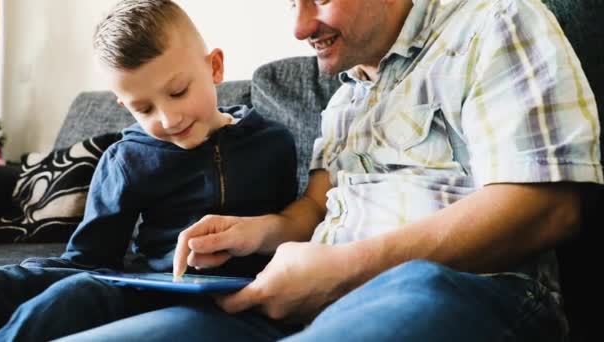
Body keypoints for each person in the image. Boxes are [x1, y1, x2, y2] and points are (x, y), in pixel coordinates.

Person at [56, 0, 601, 341]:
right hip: (303, 298)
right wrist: (256, 232)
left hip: (458, 290)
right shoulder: (346, 96)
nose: (298, 26)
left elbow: (546, 210)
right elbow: (314, 207)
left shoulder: (497, 22)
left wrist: (342, 268)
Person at [0, 0, 297, 340]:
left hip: (239, 295)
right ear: (125, 106)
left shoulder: (274, 143)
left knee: (70, 300)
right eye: (144, 108)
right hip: (145, 289)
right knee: (68, 297)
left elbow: (294, 229)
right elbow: (90, 260)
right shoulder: (126, 159)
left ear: (214, 67)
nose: (169, 119)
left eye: (178, 92)